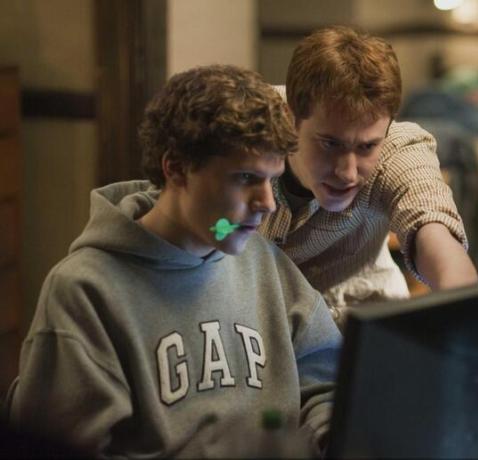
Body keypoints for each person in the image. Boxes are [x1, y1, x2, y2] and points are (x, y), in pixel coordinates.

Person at [6, 65, 341, 457]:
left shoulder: (262, 262)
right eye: (245, 178)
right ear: (176, 168)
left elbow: (327, 385)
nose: (267, 203)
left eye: (271, 179)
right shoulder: (86, 291)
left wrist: (330, 437)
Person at [260, 26, 478, 323]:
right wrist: (223, 229)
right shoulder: (243, 132)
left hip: (363, 323)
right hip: (254, 333)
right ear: (290, 117)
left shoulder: (398, 149)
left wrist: (462, 310)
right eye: (330, 144)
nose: (347, 172)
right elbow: (211, 227)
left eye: (366, 147)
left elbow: (433, 228)